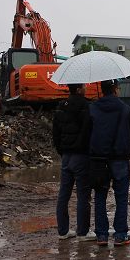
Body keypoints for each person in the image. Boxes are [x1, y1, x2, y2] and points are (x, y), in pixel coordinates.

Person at [89, 79, 130, 246]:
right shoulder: (125, 108)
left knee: (100, 196)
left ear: (101, 90)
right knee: (121, 197)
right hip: (120, 158)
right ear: (115, 89)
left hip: (99, 160)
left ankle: (101, 235)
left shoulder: (93, 108)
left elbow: (89, 131)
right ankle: (120, 235)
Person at [53, 83, 95, 241]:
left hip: (66, 156)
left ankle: (63, 231)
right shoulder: (85, 106)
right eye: (83, 86)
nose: (86, 88)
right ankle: (83, 232)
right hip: (81, 156)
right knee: (83, 195)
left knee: (64, 193)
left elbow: (55, 132)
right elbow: (87, 131)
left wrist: (62, 150)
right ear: (78, 90)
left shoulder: (61, 106)